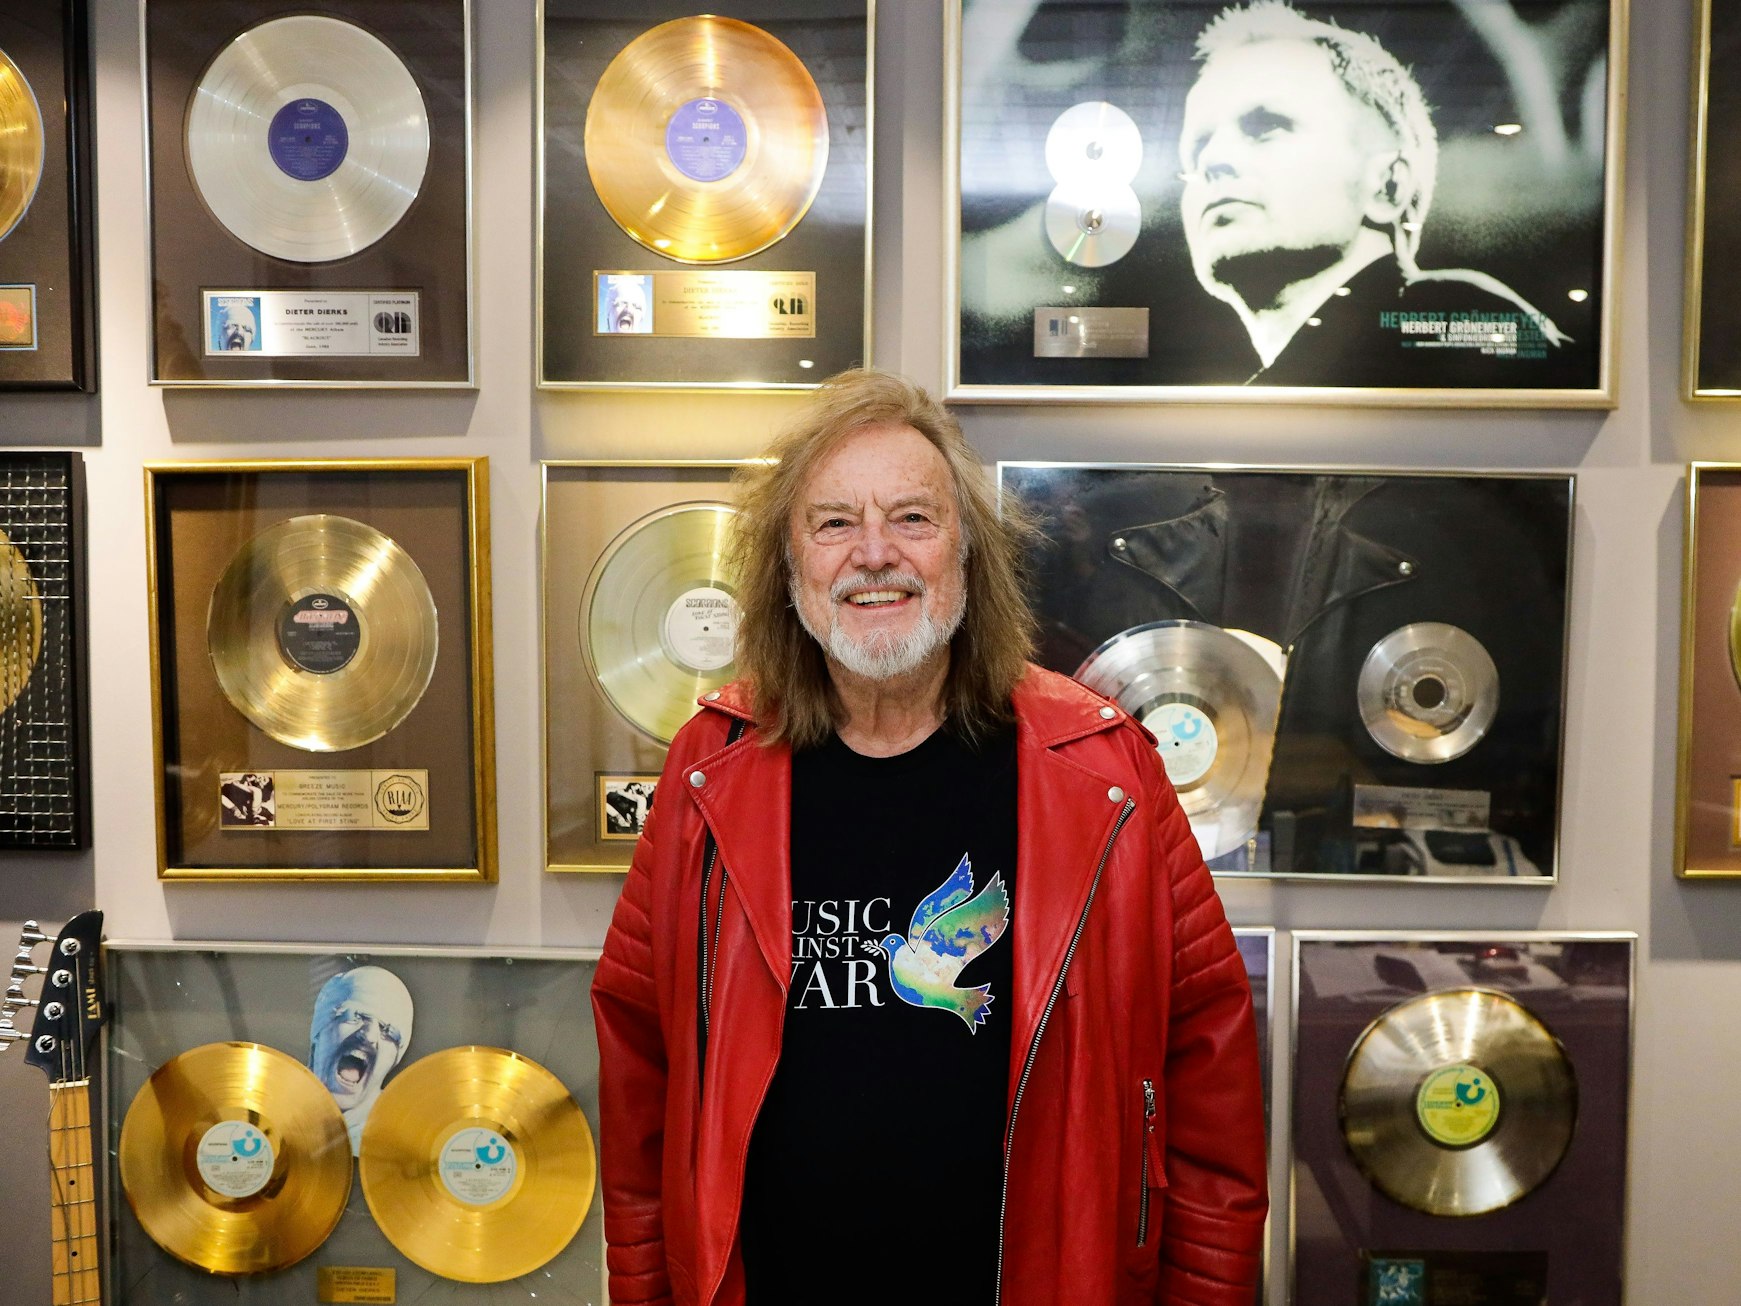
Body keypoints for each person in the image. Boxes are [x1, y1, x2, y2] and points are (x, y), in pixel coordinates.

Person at [593, 368, 1267, 1305]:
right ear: (787, 570)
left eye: (912, 518)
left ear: (966, 553)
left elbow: (1208, 1067)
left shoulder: (1104, 771)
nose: (875, 554)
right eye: (833, 524)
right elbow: (640, 1071)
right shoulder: (713, 767)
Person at [1178, 0, 1572, 387]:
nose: (1213, 159)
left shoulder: (1453, 315)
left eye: (1266, 127)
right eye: (1194, 152)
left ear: (1388, 185)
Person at [308, 964, 413, 1154]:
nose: (369, 1036)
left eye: (388, 1031)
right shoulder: (271, 1117)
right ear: (319, 1030)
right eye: (355, 1016)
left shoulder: (402, 1145)